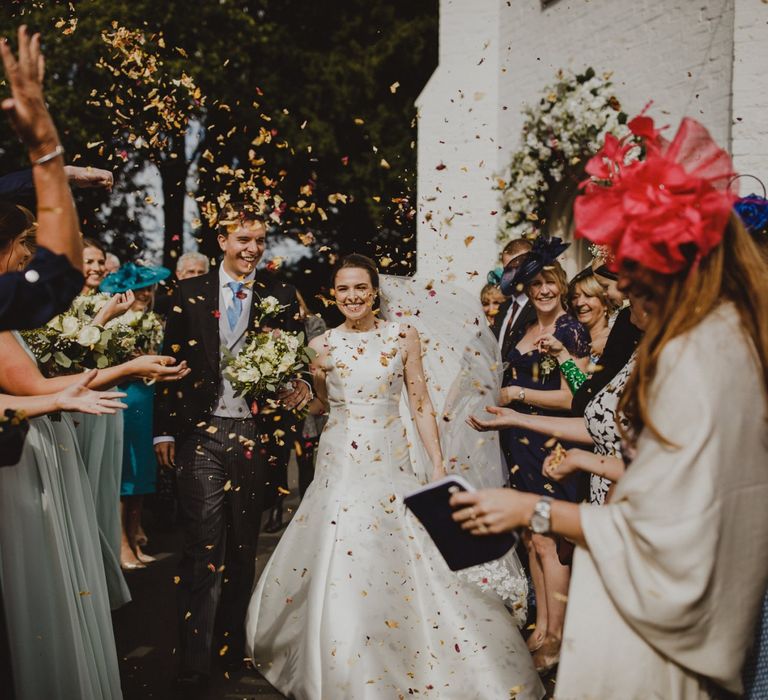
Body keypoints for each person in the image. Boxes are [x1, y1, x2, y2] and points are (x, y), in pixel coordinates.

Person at [451, 115, 768, 698]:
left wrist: (530, 511)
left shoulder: (690, 358)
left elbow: (660, 532)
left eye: (629, 278)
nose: (620, 291)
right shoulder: (734, 339)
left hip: (650, 634)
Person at [245, 254, 543, 699]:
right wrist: (295, 393)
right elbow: (320, 406)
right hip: (339, 462)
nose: (352, 297)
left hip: (390, 459)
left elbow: (420, 402)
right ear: (334, 293)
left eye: (360, 288)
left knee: (403, 553)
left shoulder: (403, 336)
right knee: (337, 551)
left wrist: (438, 463)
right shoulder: (322, 346)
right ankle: (339, 658)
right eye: (343, 289)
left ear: (374, 291)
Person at [153, 203, 311, 687]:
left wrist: (297, 384)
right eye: (244, 239)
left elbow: (297, 363)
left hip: (257, 436)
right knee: (203, 545)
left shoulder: (282, 296)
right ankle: (194, 662)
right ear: (222, 240)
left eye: (260, 239)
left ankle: (227, 649)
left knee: (242, 550)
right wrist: (163, 429)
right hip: (202, 433)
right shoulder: (188, 292)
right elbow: (167, 363)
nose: (253, 248)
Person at [494, 235, 590, 670]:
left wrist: (516, 392)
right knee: (532, 538)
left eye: (550, 282)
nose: (543, 291)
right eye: (536, 286)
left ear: (561, 283)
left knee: (552, 541)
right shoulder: (523, 327)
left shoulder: (570, 328)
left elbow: (575, 398)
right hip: (519, 442)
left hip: (552, 443)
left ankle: (558, 636)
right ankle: (541, 626)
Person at [100, 262, 171, 569]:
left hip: (149, 397)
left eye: (149, 287)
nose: (145, 293)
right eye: (139, 287)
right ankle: (121, 543)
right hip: (125, 395)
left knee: (142, 472)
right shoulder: (116, 322)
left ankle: (134, 533)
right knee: (124, 470)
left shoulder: (156, 321)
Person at [537, 268, 613, 395]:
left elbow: (587, 396)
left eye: (588, 296)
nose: (579, 303)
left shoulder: (613, 342)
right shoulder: (568, 338)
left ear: (605, 303)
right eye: (575, 297)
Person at [491, 237, 536, 359]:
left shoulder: (539, 308)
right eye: (508, 269)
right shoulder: (503, 307)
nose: (512, 275)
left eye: (518, 268)